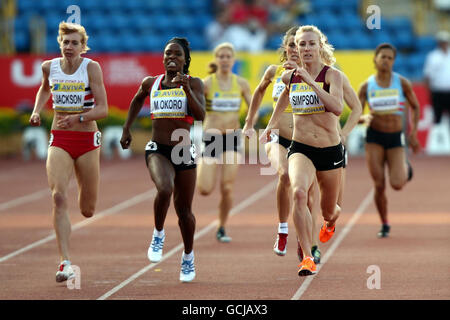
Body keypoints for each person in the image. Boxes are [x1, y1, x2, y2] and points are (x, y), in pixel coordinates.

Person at [260, 25, 344, 277]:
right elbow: (285, 97)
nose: (305, 49)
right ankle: (307, 257)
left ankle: (330, 221)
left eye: (310, 44)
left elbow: (337, 107)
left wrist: (311, 82)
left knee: (329, 209)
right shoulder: (289, 77)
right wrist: (271, 124)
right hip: (301, 147)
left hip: (329, 150)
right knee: (297, 193)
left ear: (320, 46)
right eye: (300, 45)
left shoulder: (332, 76)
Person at [120, 38, 205, 282]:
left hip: (184, 150)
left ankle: (188, 257)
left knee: (185, 212)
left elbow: (200, 116)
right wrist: (127, 128)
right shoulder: (151, 83)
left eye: (177, 54)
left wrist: (186, 89)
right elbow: (137, 99)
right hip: (158, 149)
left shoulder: (194, 83)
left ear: (185, 59)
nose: (171, 57)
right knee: (165, 187)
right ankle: (158, 234)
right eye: (168, 53)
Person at [29, 22, 108, 282]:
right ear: (59, 43)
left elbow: (103, 109)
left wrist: (78, 118)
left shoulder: (91, 68)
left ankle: (86, 195)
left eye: (75, 43)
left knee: (87, 209)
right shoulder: (48, 67)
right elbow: (44, 88)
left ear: (83, 47)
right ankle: (64, 262)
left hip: (86, 141)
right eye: (65, 42)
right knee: (59, 197)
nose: (69, 47)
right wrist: (37, 110)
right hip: (60, 138)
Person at [358, 43, 420, 238]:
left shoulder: (402, 83)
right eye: (382, 57)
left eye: (389, 58)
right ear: (375, 60)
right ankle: (384, 223)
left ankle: (404, 168)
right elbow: (356, 115)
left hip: (395, 138)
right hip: (374, 138)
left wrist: (414, 133)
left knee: (397, 184)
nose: (386, 61)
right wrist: (363, 118)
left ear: (393, 61)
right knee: (379, 184)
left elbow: (415, 107)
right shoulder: (367, 86)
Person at [196, 42, 252, 243]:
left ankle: (222, 226)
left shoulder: (241, 84)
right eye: (222, 56)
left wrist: (250, 125)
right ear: (216, 59)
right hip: (211, 138)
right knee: (204, 189)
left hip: (232, 138)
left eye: (229, 56)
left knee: (227, 187)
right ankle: (199, 166)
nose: (225, 60)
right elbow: (193, 107)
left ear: (233, 60)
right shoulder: (207, 83)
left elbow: (252, 106)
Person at [423, 31, 450, 125]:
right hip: (437, 91)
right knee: (437, 117)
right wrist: (429, 91)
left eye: (445, 41)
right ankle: (438, 138)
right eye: (442, 41)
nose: (444, 44)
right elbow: (427, 75)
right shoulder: (433, 56)